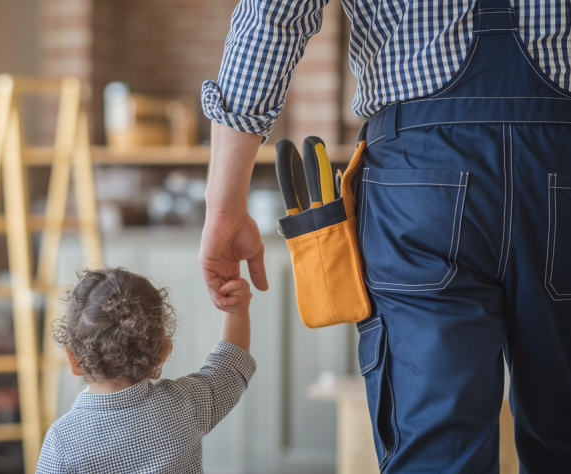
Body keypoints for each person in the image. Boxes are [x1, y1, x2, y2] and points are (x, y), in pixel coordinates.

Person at [200, 0, 571, 472]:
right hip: (561, 165)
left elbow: (273, 15)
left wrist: (225, 205)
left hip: (418, 178)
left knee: (436, 453)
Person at [36, 267, 256, 473]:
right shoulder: (186, 403)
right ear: (162, 353)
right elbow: (229, 366)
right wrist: (236, 310)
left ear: (73, 359)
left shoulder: (62, 441)